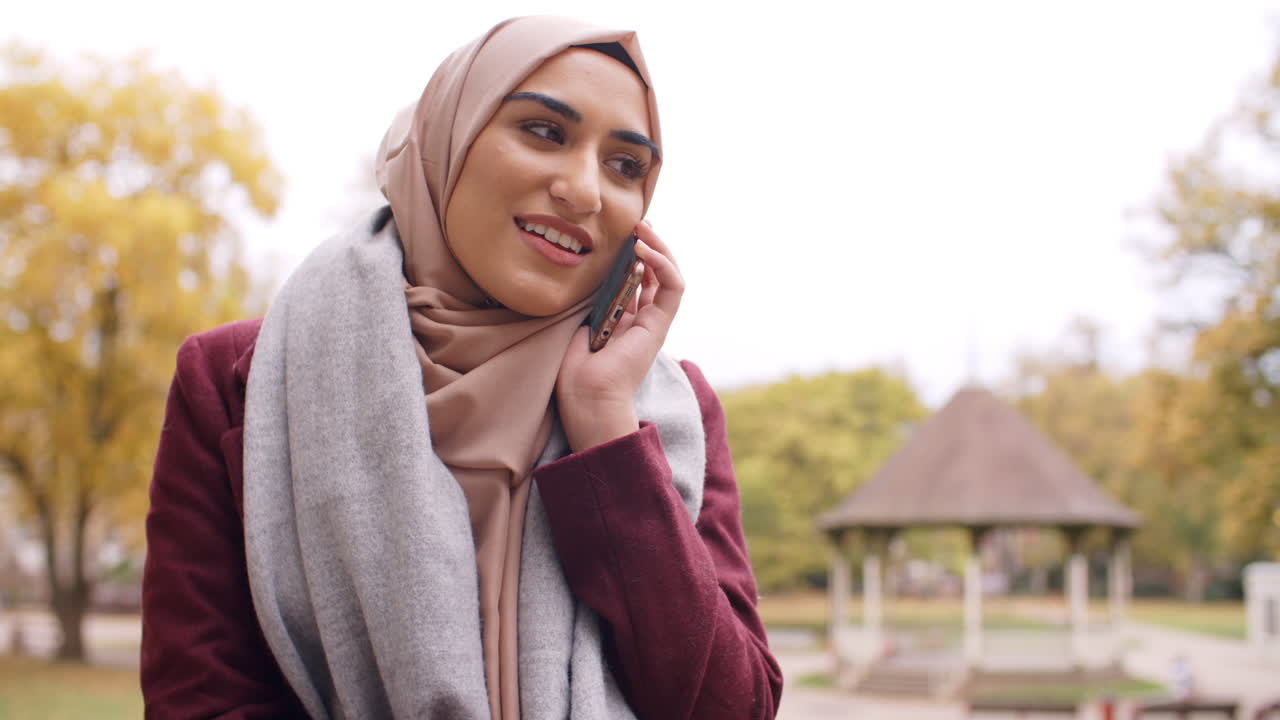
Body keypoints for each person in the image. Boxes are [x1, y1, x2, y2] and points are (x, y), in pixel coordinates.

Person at [140, 16, 782, 720]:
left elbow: (732, 707)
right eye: (544, 131)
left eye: (625, 165)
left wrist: (605, 428)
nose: (584, 190)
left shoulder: (665, 408)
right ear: (447, 138)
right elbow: (200, 699)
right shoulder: (242, 379)